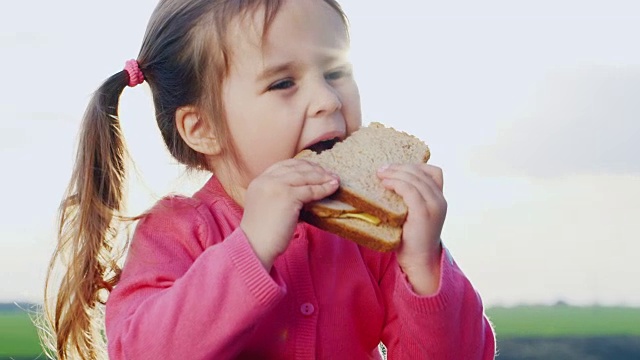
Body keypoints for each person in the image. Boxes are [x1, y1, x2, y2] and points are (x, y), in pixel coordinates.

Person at [43, 0, 496, 359]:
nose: (326, 99)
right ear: (203, 128)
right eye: (282, 83)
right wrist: (251, 247)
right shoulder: (179, 232)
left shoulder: (372, 234)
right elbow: (140, 351)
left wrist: (423, 265)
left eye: (336, 71)